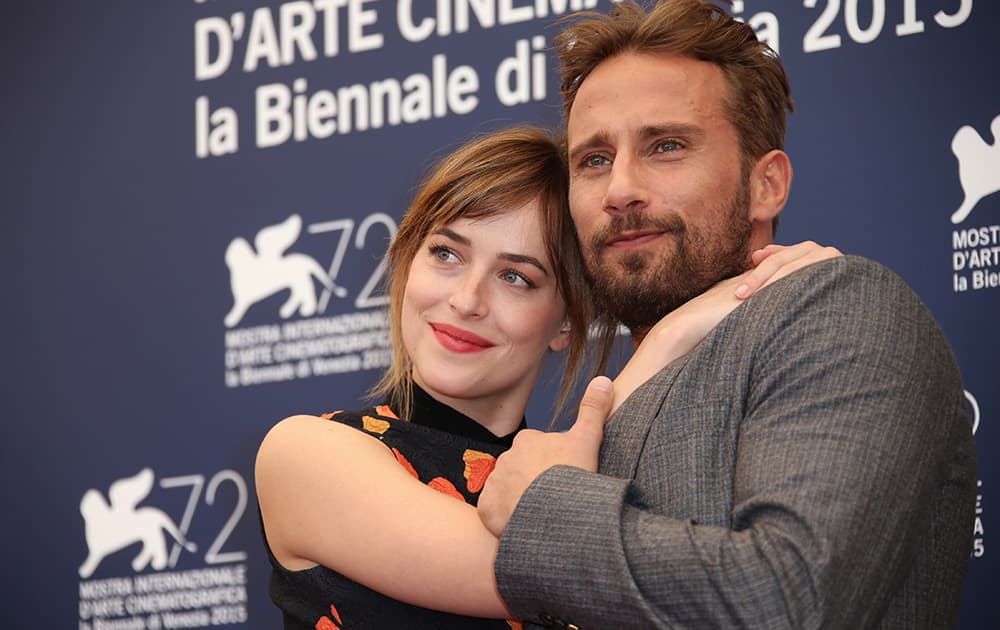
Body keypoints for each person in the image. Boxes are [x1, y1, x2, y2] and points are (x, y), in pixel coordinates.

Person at [476, 1, 978, 629]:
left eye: (666, 146)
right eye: (594, 160)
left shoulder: (841, 306)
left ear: (766, 185)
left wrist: (547, 507)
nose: (620, 189)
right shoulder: (610, 395)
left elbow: (788, 604)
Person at [255, 125, 839, 629]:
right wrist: (671, 335)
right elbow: (543, 561)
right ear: (407, 263)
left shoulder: (601, 485)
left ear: (565, 322)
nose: (466, 300)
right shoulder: (306, 453)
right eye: (446, 254)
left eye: (516, 277)